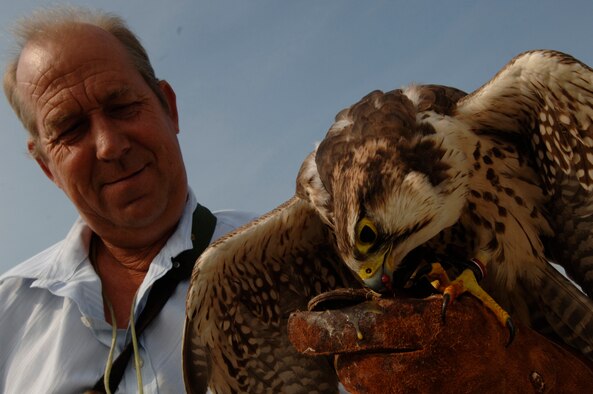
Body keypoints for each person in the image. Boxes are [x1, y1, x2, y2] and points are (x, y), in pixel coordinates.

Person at [0, 7, 253, 393]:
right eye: (70, 128)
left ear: (169, 107)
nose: (110, 145)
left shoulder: (297, 257)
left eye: (121, 107)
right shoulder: (9, 313)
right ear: (48, 168)